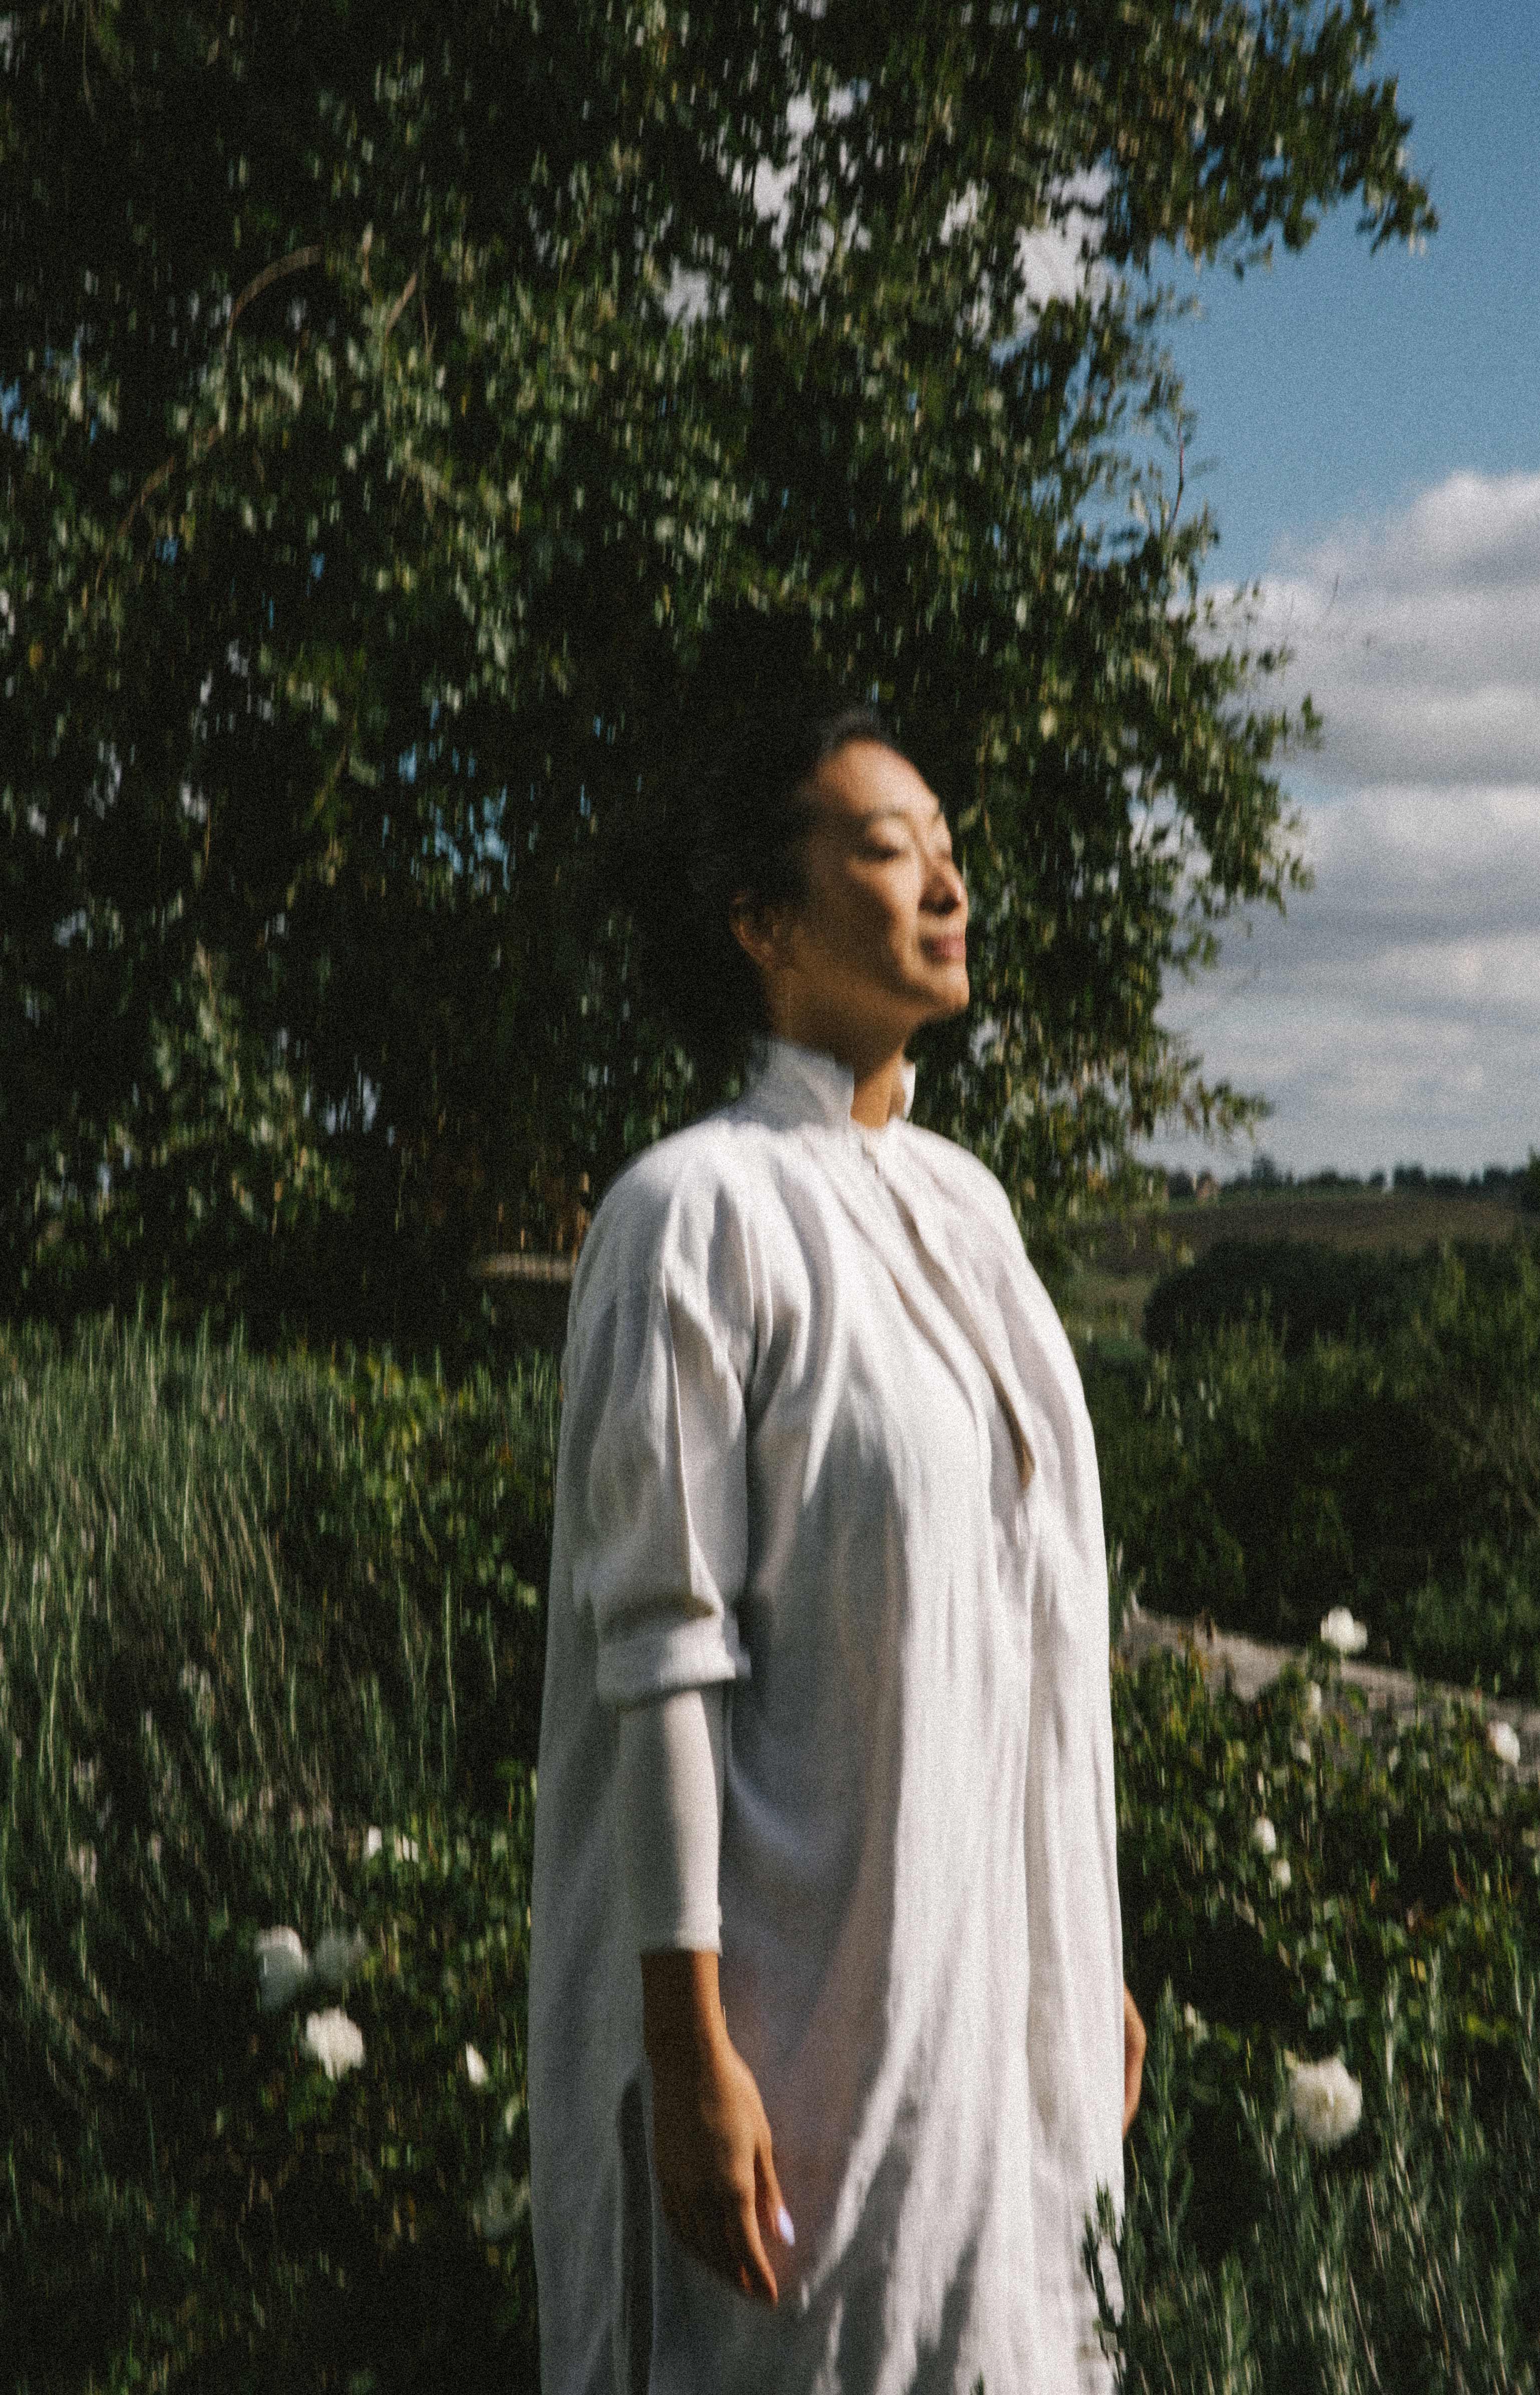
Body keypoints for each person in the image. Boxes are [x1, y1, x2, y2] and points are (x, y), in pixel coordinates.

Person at [528, 702, 1145, 2394]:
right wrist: (688, 2048)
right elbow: (662, 1652)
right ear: (763, 922)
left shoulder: (969, 1212)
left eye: (947, 845)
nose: (948, 882)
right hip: (793, 2023)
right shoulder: (693, 1215)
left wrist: (1078, 1940)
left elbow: (1028, 1632)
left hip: (982, 1994)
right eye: (887, 847)